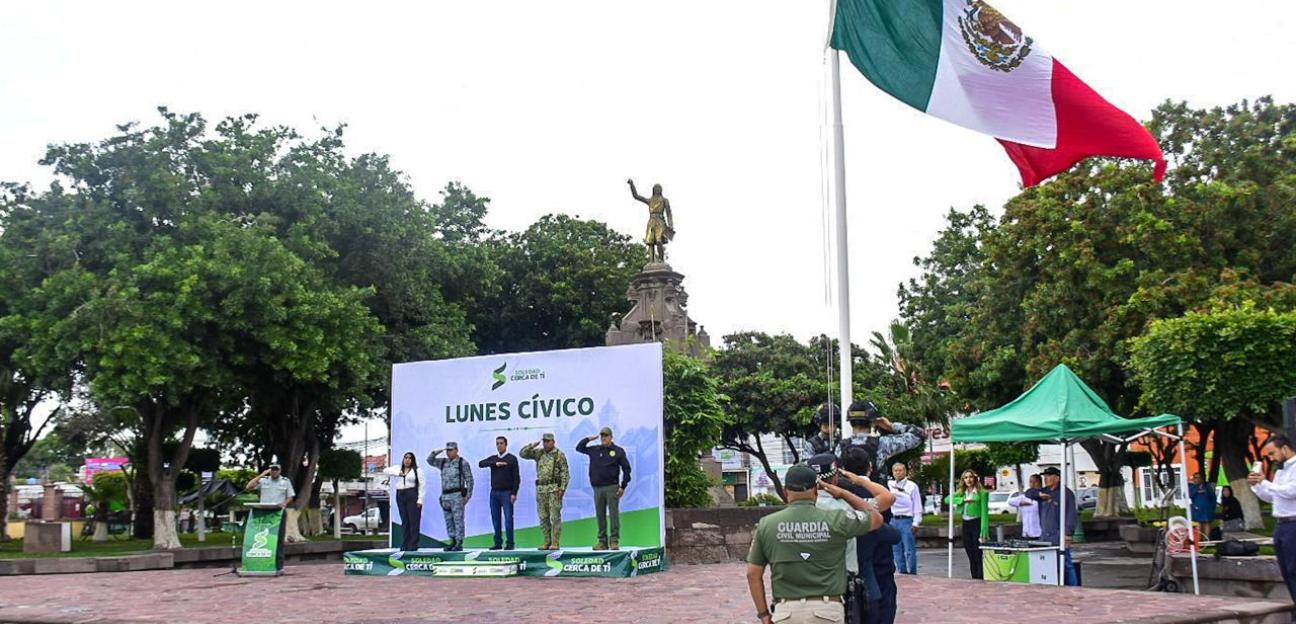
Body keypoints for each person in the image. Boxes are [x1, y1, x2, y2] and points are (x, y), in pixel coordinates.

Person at [746, 464, 883, 624]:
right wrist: (843, 493)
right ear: (816, 491)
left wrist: (763, 614)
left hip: (786, 612)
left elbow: (752, 574)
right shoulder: (836, 519)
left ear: (785, 491)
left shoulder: (767, 525)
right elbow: (876, 518)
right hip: (828, 610)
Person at [1250, 434, 1296, 608]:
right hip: (1281, 525)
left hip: (1294, 524)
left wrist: (1266, 482)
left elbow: (1291, 491)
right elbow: (1272, 496)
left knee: (1294, 568)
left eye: (1272, 453)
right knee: (1286, 570)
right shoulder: (1280, 471)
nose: (1271, 458)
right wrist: (1258, 485)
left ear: (1284, 449)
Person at [576, 426, 633, 550]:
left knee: (613, 515)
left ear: (611, 437)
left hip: (612, 487)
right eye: (602, 436)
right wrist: (588, 439)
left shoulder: (618, 451)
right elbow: (579, 448)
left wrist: (623, 486)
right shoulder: (595, 449)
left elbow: (627, 469)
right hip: (597, 488)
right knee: (600, 515)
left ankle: (614, 541)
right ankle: (602, 542)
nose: (603, 438)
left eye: (606, 436)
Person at [837, 401, 927, 476]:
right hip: (876, 495)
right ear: (872, 422)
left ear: (850, 422)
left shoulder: (840, 447)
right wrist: (891, 426)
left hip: (847, 495)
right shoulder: (883, 444)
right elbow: (919, 434)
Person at [1026, 466, 1079, 586]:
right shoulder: (1044, 491)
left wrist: (1068, 534)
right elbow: (1029, 493)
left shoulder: (1066, 493)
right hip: (1045, 534)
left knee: (1066, 563)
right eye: (1045, 476)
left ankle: (1073, 586)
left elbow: (1071, 515)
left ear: (1057, 478)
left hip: (1059, 533)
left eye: (1049, 476)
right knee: (1048, 562)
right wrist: (1040, 494)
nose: (1046, 478)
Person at [521, 432, 570, 550]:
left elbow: (565, 473)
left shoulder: (559, 454)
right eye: (544, 441)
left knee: (554, 517)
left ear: (553, 442)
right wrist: (532, 445)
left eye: (548, 441)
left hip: (553, 489)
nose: (546, 443)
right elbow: (523, 454)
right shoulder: (539, 453)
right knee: (543, 517)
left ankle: (555, 542)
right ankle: (547, 541)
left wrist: (562, 488)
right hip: (541, 489)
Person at [427, 442, 473, 551]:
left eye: (451, 450)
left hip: (457, 495)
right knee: (448, 520)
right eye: (447, 450)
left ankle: (459, 542)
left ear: (456, 450)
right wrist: (435, 452)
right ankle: (452, 540)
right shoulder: (443, 462)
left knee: (458, 520)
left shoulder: (462, 462)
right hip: (445, 496)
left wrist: (468, 495)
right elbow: (430, 461)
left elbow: (469, 479)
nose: (448, 452)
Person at [246, 463, 294, 570]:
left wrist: (285, 503)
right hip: (264, 512)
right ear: (269, 470)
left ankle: (278, 565)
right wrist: (261, 475)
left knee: (278, 539)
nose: (274, 472)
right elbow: (249, 486)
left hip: (278, 512)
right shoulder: (264, 481)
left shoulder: (285, 481)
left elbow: (290, 496)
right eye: (272, 470)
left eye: (276, 470)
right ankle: (261, 563)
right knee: (263, 538)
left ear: (280, 471)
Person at [477, 436, 520, 550]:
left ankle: (510, 543)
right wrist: (495, 464)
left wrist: (514, 493)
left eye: (501, 443)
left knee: (508, 519)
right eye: (497, 443)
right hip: (494, 493)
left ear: (506, 445)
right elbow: (481, 463)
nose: (499, 445)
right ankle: (498, 543)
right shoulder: (494, 458)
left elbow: (516, 477)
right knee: (496, 519)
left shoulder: (512, 459)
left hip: (507, 492)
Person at [946, 469, 990, 580]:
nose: (968, 480)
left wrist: (984, 531)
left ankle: (980, 576)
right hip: (966, 523)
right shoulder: (962, 492)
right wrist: (963, 500)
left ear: (974, 478)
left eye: (970, 477)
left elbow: (985, 513)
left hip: (976, 522)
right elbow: (947, 500)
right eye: (966, 478)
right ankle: (974, 576)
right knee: (969, 551)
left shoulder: (982, 493)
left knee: (977, 552)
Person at [382, 451, 426, 551]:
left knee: (413, 520)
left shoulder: (417, 470)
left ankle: (413, 544)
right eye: (405, 457)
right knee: (404, 520)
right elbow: (385, 470)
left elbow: (422, 486)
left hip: (412, 495)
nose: (407, 460)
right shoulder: (398, 468)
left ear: (413, 460)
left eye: (410, 458)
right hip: (400, 495)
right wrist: (397, 473)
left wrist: (420, 499)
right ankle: (405, 543)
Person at [887, 462, 922, 575]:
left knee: (909, 550)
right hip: (893, 519)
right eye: (895, 470)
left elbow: (917, 505)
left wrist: (916, 522)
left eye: (900, 470)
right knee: (896, 549)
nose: (898, 472)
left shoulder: (912, 486)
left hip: (907, 520)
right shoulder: (889, 485)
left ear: (905, 471)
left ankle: (912, 572)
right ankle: (902, 572)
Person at [1008, 474, 1043, 540]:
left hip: (1038, 531)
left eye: (1035, 482)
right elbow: (1010, 501)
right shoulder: (1025, 496)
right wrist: (1021, 503)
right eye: (1030, 482)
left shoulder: (1042, 496)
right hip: (1027, 531)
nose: (1032, 484)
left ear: (1040, 482)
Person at [1188, 473, 1217, 539]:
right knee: (1199, 524)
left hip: (1207, 509)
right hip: (1197, 509)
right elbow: (1189, 495)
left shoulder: (1207, 487)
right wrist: (1197, 490)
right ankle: (1199, 540)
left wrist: (1213, 507)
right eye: (1196, 478)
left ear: (1201, 479)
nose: (1197, 479)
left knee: (1207, 523)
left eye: (1199, 477)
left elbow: (1213, 497)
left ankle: (1206, 540)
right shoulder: (1191, 487)